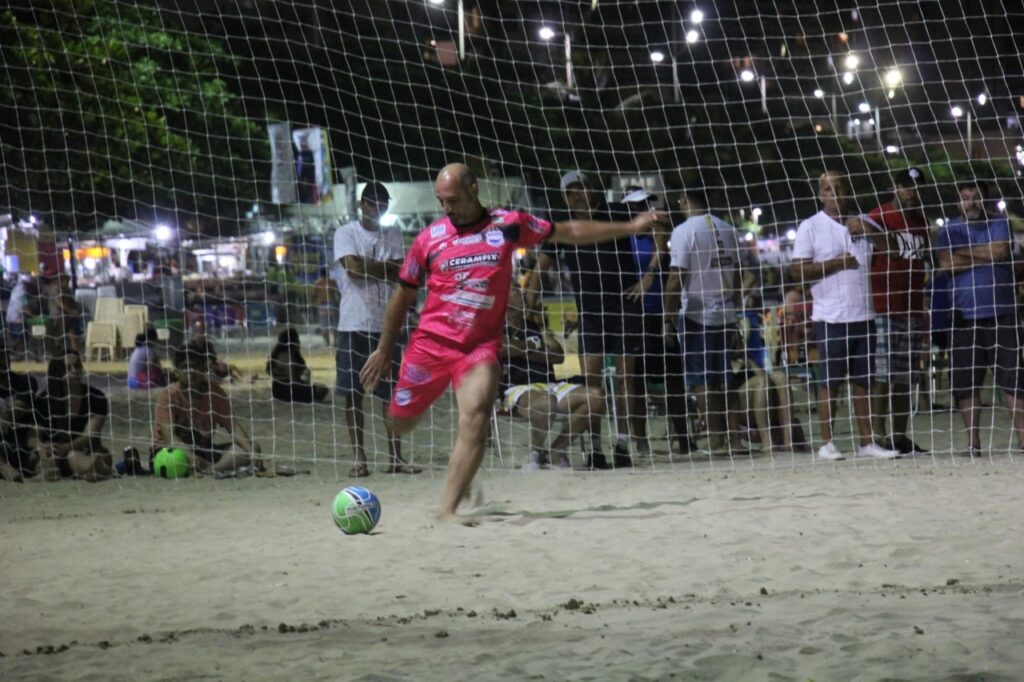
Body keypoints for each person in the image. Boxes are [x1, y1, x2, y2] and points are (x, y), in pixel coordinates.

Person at [360, 163, 662, 524]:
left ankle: (449, 508)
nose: (447, 209)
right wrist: (383, 348)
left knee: (475, 415)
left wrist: (629, 227)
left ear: (473, 190)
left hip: (480, 347)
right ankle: (450, 465)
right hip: (432, 343)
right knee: (398, 423)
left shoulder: (508, 224)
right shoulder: (429, 240)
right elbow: (402, 297)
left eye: (452, 200)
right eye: (441, 202)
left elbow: (568, 231)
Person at [524, 172, 639, 469]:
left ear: (592, 189)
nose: (576, 196)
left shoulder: (616, 212)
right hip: (589, 314)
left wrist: (650, 275)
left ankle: (623, 444)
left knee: (626, 379)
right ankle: (596, 449)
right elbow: (541, 267)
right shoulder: (566, 228)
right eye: (570, 193)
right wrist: (529, 303)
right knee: (592, 386)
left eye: (580, 189)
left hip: (624, 308)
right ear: (565, 198)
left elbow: (659, 228)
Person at [789, 171, 899, 460]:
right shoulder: (810, 227)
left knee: (864, 381)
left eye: (839, 187)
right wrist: (837, 263)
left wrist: (869, 228)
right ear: (820, 195)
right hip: (831, 318)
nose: (834, 192)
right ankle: (827, 443)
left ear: (847, 190)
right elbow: (797, 271)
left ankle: (867, 442)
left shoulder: (864, 222)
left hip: (864, 316)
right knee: (830, 384)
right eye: (828, 188)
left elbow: (894, 250)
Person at [333, 181, 417, 477]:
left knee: (390, 393)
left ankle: (396, 457)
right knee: (352, 393)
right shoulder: (346, 232)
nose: (378, 209)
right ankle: (360, 457)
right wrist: (383, 267)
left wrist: (371, 266)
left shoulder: (392, 232)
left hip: (386, 325)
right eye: (373, 204)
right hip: (353, 323)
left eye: (383, 204)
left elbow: (402, 269)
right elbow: (354, 270)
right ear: (361, 205)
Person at [935, 180, 1024, 457]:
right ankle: (973, 445)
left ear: (985, 200)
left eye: (975, 197)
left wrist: (963, 254)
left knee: (1014, 380)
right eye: (965, 197)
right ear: (957, 202)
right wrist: (985, 255)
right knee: (965, 382)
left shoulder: (1000, 223)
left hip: (1003, 313)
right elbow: (946, 264)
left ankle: (1023, 441)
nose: (970, 202)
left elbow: (999, 251)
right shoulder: (948, 229)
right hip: (963, 316)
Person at [664, 188, 744, 455]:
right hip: (726, 312)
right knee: (725, 378)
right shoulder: (728, 228)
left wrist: (667, 318)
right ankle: (736, 439)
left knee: (702, 380)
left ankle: (715, 440)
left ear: (685, 200)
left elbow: (676, 278)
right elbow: (740, 275)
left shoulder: (684, 230)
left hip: (697, 314)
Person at [619, 187, 693, 456]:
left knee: (673, 379)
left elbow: (662, 242)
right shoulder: (623, 237)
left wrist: (650, 274)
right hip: (634, 315)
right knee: (636, 382)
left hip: (661, 314)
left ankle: (684, 438)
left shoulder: (659, 232)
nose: (642, 210)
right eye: (637, 206)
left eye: (645, 205)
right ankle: (640, 441)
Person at [503, 282, 605, 470]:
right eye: (516, 290)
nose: (523, 294)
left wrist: (525, 350)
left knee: (596, 397)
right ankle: (535, 455)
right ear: (504, 298)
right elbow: (502, 349)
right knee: (545, 403)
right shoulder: (495, 326)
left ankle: (556, 450)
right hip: (517, 388)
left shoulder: (533, 325)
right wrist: (535, 348)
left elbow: (558, 355)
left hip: (550, 385)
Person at [866, 167, 931, 454]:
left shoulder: (920, 222)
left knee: (906, 376)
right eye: (907, 187)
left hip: (913, 307)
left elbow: (923, 262)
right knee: (884, 374)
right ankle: (877, 436)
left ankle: (899, 435)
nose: (912, 193)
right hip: (885, 307)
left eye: (916, 188)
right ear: (895, 187)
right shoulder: (877, 217)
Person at [152, 342, 263, 475]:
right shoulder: (167, 396)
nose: (191, 371)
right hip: (172, 451)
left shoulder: (215, 393)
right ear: (176, 372)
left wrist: (251, 452)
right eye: (185, 367)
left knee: (253, 447)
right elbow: (170, 437)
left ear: (204, 368)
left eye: (195, 366)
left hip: (204, 451)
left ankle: (212, 470)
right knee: (176, 460)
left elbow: (233, 427)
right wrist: (191, 456)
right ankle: (213, 467)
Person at [31, 350, 114, 481]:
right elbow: (33, 436)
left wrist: (66, 448)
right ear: (58, 373)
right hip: (53, 452)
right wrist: (41, 446)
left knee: (86, 455)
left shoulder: (96, 397)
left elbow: (89, 435)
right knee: (48, 459)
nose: (75, 371)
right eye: (68, 368)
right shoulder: (44, 399)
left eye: (77, 366)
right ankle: (93, 469)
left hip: (86, 450)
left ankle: (96, 467)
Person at [0, 346, 38, 481]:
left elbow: (22, 406)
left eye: (3, 355)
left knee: (34, 456)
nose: (2, 361)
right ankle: (4, 468)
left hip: (19, 445)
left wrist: (5, 416)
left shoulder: (27, 382)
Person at [267, 327, 329, 403]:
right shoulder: (286, 356)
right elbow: (293, 380)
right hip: (286, 389)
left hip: (281, 388)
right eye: (297, 340)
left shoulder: (290, 354)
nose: (299, 342)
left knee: (322, 388)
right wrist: (305, 383)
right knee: (321, 390)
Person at [127, 325, 169, 389]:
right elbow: (153, 368)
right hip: (138, 382)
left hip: (130, 381)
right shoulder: (149, 350)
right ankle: (164, 387)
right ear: (153, 339)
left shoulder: (139, 348)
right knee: (157, 369)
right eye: (156, 338)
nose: (158, 340)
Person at [312, 267, 340, 347]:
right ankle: (334, 343)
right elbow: (338, 294)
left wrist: (313, 303)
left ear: (320, 274)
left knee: (324, 326)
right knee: (335, 325)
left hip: (322, 305)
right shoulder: (332, 282)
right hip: (332, 304)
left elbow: (314, 295)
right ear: (327, 273)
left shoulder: (317, 283)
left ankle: (327, 343)